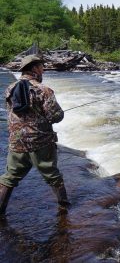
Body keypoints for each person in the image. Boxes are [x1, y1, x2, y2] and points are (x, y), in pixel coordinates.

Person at [0, 54, 69, 217]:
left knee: (9, 177)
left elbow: (11, 113)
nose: (43, 69)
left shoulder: (10, 89)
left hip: (16, 141)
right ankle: (65, 209)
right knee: (52, 175)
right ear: (35, 68)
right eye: (41, 67)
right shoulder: (44, 90)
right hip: (41, 141)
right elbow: (55, 116)